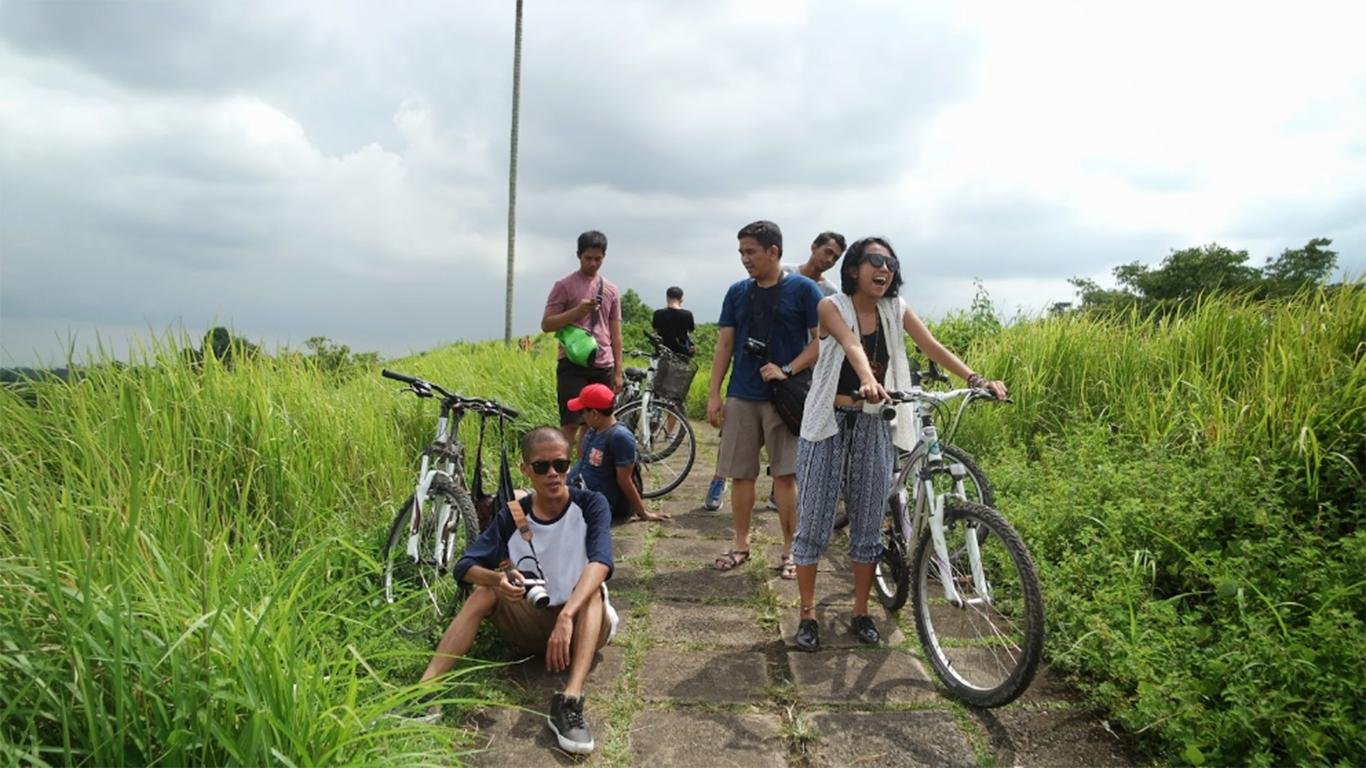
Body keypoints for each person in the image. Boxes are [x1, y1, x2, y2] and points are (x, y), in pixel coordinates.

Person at [790, 237, 1007, 652]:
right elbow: (851, 344)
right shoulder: (832, 306)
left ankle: (860, 611)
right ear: (854, 268)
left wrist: (976, 380)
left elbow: (932, 347)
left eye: (890, 262)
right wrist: (869, 379)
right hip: (828, 423)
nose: (884, 268)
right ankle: (807, 613)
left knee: (869, 522)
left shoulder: (896, 309)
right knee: (814, 520)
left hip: (875, 423)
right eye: (875, 260)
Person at [417, 427, 618, 755]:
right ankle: (425, 691)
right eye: (542, 467)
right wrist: (499, 581)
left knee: (593, 591)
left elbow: (601, 562)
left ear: (571, 463)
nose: (553, 474)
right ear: (526, 469)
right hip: (533, 621)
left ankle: (570, 702)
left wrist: (567, 615)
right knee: (482, 592)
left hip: (584, 625)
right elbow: (465, 567)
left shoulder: (591, 505)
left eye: (561, 465)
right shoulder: (514, 515)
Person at [707, 220, 823, 579]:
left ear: (774, 251)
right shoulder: (737, 292)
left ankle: (791, 551)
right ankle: (741, 544)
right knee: (741, 475)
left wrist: (788, 368)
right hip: (742, 393)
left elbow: (822, 341)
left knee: (785, 477)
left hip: (784, 397)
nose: (745, 259)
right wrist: (714, 393)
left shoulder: (804, 290)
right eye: (741, 252)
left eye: (751, 252)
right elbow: (725, 343)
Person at [542, 231, 623, 456]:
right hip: (572, 362)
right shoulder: (564, 286)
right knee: (570, 423)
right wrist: (577, 311)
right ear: (579, 256)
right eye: (588, 258)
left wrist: (618, 371)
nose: (593, 263)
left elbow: (616, 333)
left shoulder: (611, 290)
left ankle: (584, 475)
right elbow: (547, 324)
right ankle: (562, 474)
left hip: (602, 363)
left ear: (604, 257)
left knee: (594, 425)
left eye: (598, 258)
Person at [566, 383, 671, 524]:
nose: (582, 417)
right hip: (577, 488)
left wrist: (643, 513)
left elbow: (625, 480)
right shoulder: (593, 430)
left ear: (594, 414)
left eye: (582, 412)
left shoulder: (619, 437)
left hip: (596, 502)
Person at [783, 231, 846, 297]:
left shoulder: (830, 291)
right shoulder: (784, 271)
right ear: (814, 247)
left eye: (835, 258)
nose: (830, 260)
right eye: (828, 252)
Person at [651, 286, 695, 357]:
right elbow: (690, 331)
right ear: (681, 299)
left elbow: (654, 331)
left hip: (661, 352)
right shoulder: (688, 314)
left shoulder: (658, 313)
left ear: (667, 298)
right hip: (681, 355)